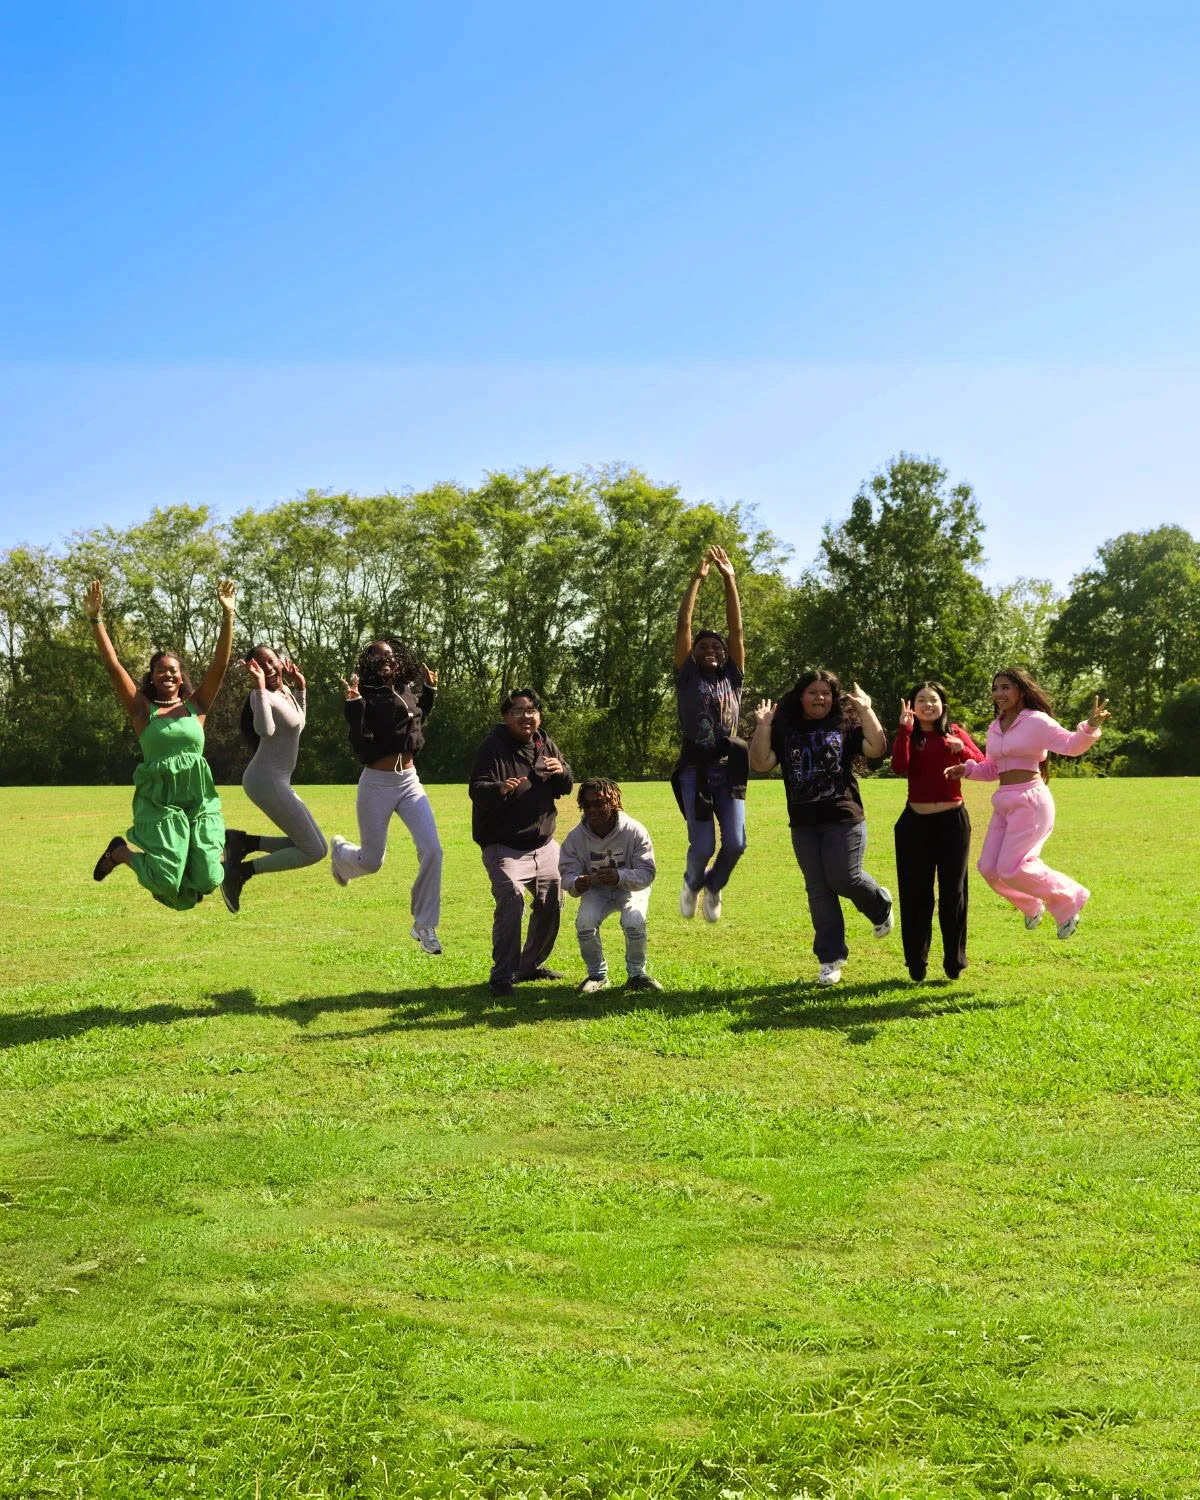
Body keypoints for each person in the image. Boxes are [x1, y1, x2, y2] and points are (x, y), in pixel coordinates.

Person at [85, 576, 236, 911]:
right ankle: (120, 853)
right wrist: (96, 619)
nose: (168, 675)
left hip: (198, 799)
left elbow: (220, 665)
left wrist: (228, 616)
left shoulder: (197, 707)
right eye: (161, 671)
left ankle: (203, 858)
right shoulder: (142, 710)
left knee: (209, 880)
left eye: (174, 671)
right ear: (151, 677)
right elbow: (113, 667)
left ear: (182, 677)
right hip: (160, 801)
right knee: (168, 882)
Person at [750, 669, 893, 986]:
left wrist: (866, 709)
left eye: (826, 693)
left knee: (846, 877)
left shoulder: (842, 724)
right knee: (818, 888)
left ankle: (879, 904)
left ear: (833, 697)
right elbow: (760, 763)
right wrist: (763, 726)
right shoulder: (786, 727)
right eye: (813, 692)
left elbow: (877, 747)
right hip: (803, 821)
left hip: (843, 815)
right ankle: (830, 959)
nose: (820, 698)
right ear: (801, 696)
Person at [945, 668, 1108, 940]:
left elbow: (1071, 745)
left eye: (1005, 687)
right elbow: (993, 768)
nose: (999, 693)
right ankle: (1031, 904)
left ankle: (1069, 898)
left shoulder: (1036, 721)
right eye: (996, 688)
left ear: (1020, 690)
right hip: (1004, 800)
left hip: (1031, 800)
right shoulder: (995, 726)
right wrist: (967, 769)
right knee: (988, 868)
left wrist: (1090, 726)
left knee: (1012, 867)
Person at [329, 639, 444, 954]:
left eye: (390, 655)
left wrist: (430, 692)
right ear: (369, 663)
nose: (385, 660)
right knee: (372, 862)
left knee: (433, 850)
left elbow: (417, 719)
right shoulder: (364, 696)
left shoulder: (406, 690)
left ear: (399, 660)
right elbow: (361, 743)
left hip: (409, 781)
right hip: (377, 783)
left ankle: (424, 925)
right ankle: (341, 854)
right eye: (377, 656)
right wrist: (354, 708)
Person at [469, 688, 573, 996]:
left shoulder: (545, 743)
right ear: (505, 717)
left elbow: (565, 785)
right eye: (517, 711)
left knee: (552, 902)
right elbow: (477, 789)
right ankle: (502, 976)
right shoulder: (492, 748)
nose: (526, 717)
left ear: (538, 715)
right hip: (504, 846)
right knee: (511, 899)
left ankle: (529, 966)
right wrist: (500, 788)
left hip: (544, 844)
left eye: (531, 711)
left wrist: (562, 771)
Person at [220, 646, 328, 912]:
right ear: (252, 670)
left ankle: (243, 842)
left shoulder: (285, 691)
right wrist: (258, 688)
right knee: (312, 850)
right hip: (265, 780)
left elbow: (297, 724)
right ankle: (240, 872)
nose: (268, 668)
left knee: (318, 847)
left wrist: (301, 689)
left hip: (277, 780)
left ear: (281, 662)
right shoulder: (261, 696)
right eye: (260, 665)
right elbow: (265, 730)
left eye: (271, 661)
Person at [672, 544, 747, 923]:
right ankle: (691, 882)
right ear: (694, 654)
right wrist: (697, 580)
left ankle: (713, 887)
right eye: (703, 646)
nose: (711, 649)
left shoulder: (733, 678)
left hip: (728, 767)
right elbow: (684, 625)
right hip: (695, 770)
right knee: (702, 846)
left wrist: (730, 579)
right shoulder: (687, 677)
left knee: (736, 843)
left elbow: (736, 627)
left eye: (716, 645)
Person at [891, 682, 985, 982]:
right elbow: (899, 766)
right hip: (914, 824)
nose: (928, 705)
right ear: (912, 707)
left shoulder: (955, 733)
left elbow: (982, 764)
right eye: (921, 700)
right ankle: (916, 962)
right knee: (915, 894)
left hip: (952, 823)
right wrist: (904, 730)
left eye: (933, 700)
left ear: (943, 704)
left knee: (953, 893)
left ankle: (954, 960)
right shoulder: (909, 734)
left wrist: (964, 749)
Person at [559, 778, 661, 994]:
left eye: (599, 803)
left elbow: (647, 872)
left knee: (634, 922)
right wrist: (577, 882)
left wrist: (619, 876)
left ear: (614, 802)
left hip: (630, 887)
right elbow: (567, 873)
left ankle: (637, 975)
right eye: (587, 805)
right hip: (596, 890)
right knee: (585, 924)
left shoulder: (634, 830)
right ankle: (597, 975)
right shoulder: (576, 837)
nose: (592, 809)